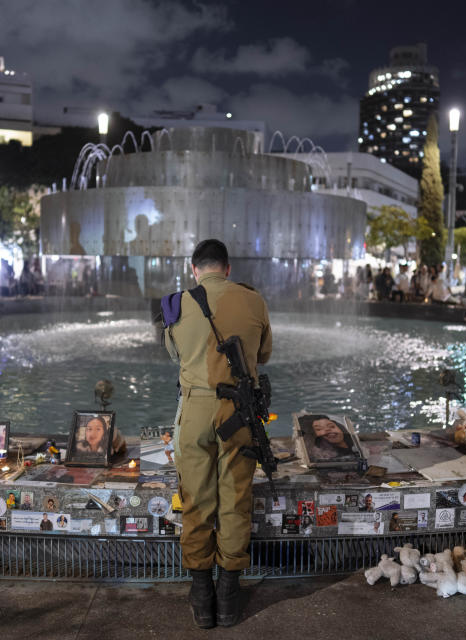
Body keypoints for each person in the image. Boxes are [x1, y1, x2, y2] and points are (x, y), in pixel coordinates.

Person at [162, 238, 272, 628]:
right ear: (227, 268)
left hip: (194, 412)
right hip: (238, 414)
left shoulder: (178, 303)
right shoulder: (254, 301)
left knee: (195, 501)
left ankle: (200, 593)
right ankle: (228, 594)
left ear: (195, 270)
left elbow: (174, 355)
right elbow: (264, 355)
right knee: (236, 500)